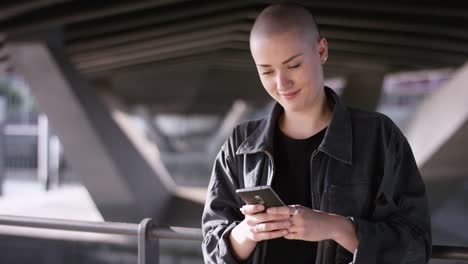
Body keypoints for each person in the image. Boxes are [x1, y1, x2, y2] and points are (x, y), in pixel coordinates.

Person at [201, 3, 431, 264]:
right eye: (266, 71)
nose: (281, 83)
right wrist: (248, 232)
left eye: (294, 65)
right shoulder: (240, 145)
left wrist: (335, 227)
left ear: (321, 50)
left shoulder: (379, 137)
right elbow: (211, 248)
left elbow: (416, 245)